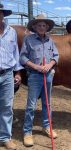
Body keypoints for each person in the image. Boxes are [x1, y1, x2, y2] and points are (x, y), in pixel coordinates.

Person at [20, 14, 59, 147]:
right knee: (31, 105)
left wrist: (50, 64)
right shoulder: (28, 39)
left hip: (48, 75)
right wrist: (36, 66)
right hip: (35, 76)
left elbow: (56, 56)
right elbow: (23, 58)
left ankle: (47, 126)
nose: (42, 27)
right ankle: (27, 132)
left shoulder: (50, 40)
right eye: (39, 25)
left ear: (47, 27)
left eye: (44, 25)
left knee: (47, 103)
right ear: (35, 27)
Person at [0, 4, 22, 150]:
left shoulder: (12, 32)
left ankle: (5, 137)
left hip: (7, 74)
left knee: (7, 107)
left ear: (3, 15)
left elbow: (16, 53)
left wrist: (18, 72)